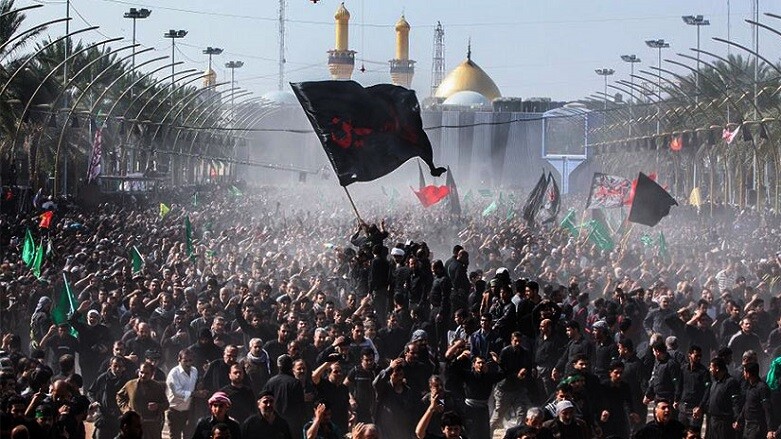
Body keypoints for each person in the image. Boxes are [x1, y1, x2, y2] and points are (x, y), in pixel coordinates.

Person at [116, 362, 169, 439]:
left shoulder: (157, 387)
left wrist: (157, 406)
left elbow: (166, 404)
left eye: (147, 373)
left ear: (152, 374)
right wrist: (126, 409)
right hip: (134, 425)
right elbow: (119, 396)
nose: (143, 375)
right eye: (141, 372)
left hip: (151, 425)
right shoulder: (130, 384)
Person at [693, 357, 741, 439]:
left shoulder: (730, 382)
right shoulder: (715, 383)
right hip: (712, 422)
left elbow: (735, 403)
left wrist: (737, 420)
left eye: (711, 367)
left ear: (717, 368)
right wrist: (700, 409)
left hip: (724, 423)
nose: (710, 370)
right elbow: (710, 401)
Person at [263, 354, 305, 437]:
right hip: (292, 424)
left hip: (273, 422)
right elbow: (301, 407)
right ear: (291, 366)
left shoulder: (270, 382)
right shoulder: (295, 383)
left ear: (278, 366)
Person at [88, 355, 128, 439]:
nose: (117, 369)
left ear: (123, 368)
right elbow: (91, 392)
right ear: (110, 366)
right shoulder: (102, 378)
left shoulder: (126, 380)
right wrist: (94, 402)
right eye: (115, 366)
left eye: (120, 367)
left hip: (119, 418)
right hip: (103, 416)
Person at [166, 348, 200, 439]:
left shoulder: (194, 371)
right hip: (175, 411)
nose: (188, 363)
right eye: (185, 361)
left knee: (189, 436)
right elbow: (177, 392)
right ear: (179, 360)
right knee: (175, 436)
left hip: (189, 411)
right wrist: (194, 394)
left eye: (190, 360)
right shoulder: (174, 373)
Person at [735, 362, 774, 439]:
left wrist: (770, 429)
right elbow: (747, 405)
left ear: (748, 374)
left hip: (757, 427)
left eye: (745, 372)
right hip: (747, 426)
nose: (743, 374)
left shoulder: (762, 388)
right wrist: (739, 420)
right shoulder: (749, 387)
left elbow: (767, 409)